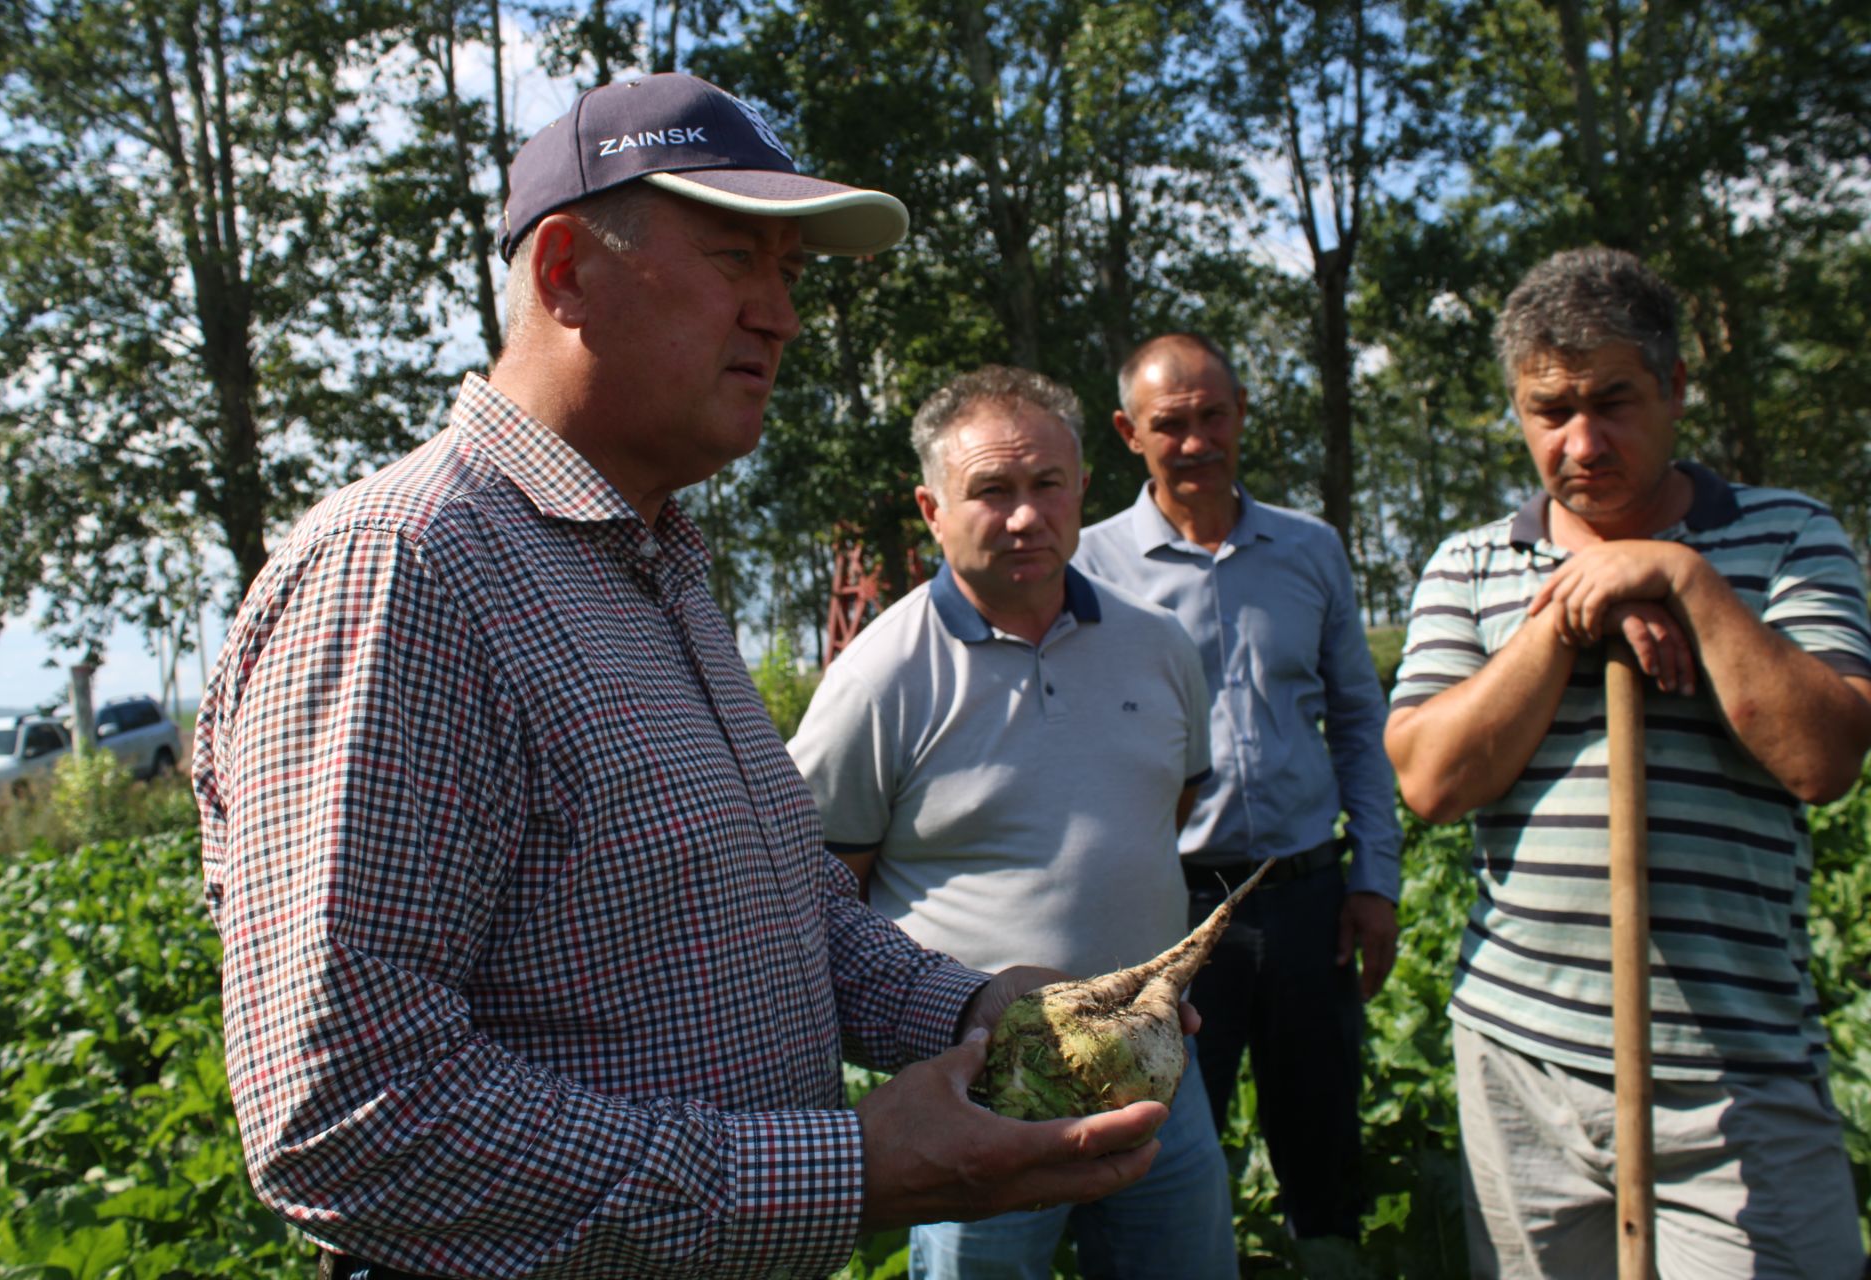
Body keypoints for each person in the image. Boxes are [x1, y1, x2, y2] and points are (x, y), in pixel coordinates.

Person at [193, 73, 1172, 1280]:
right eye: (733, 258)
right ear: (563, 272)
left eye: (792, 275)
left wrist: (975, 1009)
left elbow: (788, 911)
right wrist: (849, 1169)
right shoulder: (405, 572)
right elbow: (344, 1108)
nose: (782, 315)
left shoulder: (652, 565)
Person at [1385, 247, 1871, 1278]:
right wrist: (1564, 621)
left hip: (1734, 1063)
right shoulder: (1468, 563)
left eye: (1613, 400)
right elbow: (1429, 779)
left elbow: (1823, 754)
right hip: (1522, 1060)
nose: (1582, 440)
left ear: (1676, 386)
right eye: (1548, 410)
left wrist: (1685, 579)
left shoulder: (1789, 536)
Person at [788, 366, 1238, 1279]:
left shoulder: (1159, 646)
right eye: (991, 490)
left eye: (1047, 485)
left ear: (1083, 488)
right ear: (931, 507)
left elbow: (1169, 807)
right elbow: (821, 892)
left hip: (1156, 1065)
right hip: (984, 1088)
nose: (1026, 516)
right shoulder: (878, 680)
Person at [1072, 332, 1402, 1245]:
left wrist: (1374, 878)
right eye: (1168, 424)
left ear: (1242, 413)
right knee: (1169, 1145)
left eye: (1213, 415)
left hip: (1308, 894)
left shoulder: (1310, 549)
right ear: (1128, 433)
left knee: (1323, 1133)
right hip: (1171, 914)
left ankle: (1324, 1259)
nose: (1195, 441)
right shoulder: (1090, 569)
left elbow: (1359, 722)